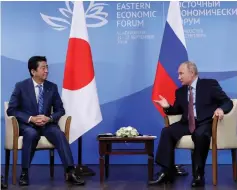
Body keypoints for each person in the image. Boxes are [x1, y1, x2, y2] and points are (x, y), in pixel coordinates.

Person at [149, 61, 233, 187]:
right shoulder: (180, 91)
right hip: (186, 123)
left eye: (181, 73)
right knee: (166, 132)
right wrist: (167, 107)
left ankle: (198, 175)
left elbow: (227, 102)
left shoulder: (209, 85)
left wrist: (221, 109)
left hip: (205, 123)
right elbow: (177, 110)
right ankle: (167, 171)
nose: (179, 77)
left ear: (192, 73)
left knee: (199, 135)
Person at [7, 56, 85, 186]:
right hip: (28, 125)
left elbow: (60, 110)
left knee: (59, 134)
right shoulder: (21, 86)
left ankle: (71, 171)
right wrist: (31, 118)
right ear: (33, 71)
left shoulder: (52, 87)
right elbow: (11, 110)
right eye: (43, 68)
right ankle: (24, 173)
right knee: (31, 134)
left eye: (47, 67)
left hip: (47, 124)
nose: (46, 71)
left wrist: (49, 118)